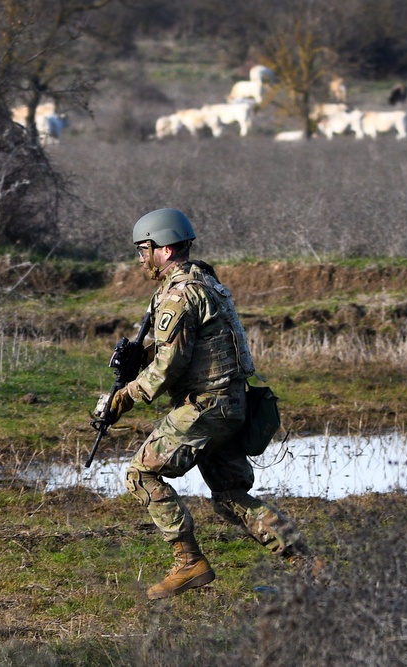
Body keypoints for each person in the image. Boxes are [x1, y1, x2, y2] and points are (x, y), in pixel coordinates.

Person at [103, 208, 309, 600]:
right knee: (231, 498)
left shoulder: (180, 292)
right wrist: (139, 356)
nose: (141, 258)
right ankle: (311, 568)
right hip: (231, 405)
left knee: (140, 474)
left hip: (206, 407)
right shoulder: (204, 281)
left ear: (163, 249)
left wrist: (123, 398)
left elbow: (169, 366)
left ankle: (188, 562)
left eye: (143, 250)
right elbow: (186, 348)